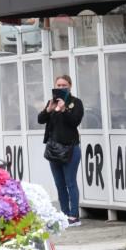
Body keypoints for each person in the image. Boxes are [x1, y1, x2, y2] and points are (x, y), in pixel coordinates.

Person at [38, 75, 85, 227]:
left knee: (70, 182)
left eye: (64, 85)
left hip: (70, 148)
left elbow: (75, 122)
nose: (60, 88)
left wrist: (64, 109)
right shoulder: (52, 102)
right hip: (54, 149)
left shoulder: (75, 103)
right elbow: (40, 120)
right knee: (59, 184)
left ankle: (74, 216)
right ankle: (64, 214)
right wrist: (49, 109)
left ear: (70, 86)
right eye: (58, 85)